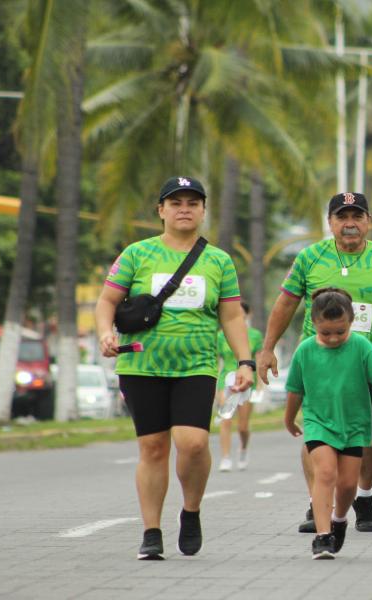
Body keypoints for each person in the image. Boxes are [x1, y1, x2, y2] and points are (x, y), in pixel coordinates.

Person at [95, 176, 255, 560]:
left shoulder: (219, 260)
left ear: (203, 210)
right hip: (140, 364)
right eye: (176, 202)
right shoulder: (136, 254)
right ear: (161, 210)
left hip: (196, 365)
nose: (184, 208)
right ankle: (151, 532)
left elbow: (232, 317)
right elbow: (106, 301)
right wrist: (104, 333)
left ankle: (191, 510)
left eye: (193, 202)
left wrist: (244, 361)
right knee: (152, 447)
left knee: (193, 442)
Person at [256, 192, 372, 534]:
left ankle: (363, 498)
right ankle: (317, 503)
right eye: (341, 216)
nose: (349, 223)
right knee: (316, 435)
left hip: (368, 362)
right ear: (331, 222)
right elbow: (286, 303)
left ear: (368, 221)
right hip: (319, 362)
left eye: (357, 216)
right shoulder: (309, 257)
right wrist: (267, 348)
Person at [283, 288, 372, 558]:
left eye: (340, 332)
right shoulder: (305, 350)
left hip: (353, 424)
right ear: (314, 323)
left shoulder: (362, 346)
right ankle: (322, 535)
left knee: (349, 484)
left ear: (351, 321)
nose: (333, 338)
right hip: (319, 422)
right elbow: (295, 390)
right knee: (326, 473)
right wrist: (289, 418)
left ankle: (339, 519)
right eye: (325, 332)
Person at [216, 301, 264, 471]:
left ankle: (243, 448)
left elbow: (258, 359)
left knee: (243, 425)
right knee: (225, 419)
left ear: (247, 316)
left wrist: (260, 385)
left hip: (246, 381)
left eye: (243, 316)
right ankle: (225, 457)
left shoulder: (254, 335)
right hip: (226, 379)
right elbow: (216, 361)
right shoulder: (221, 336)